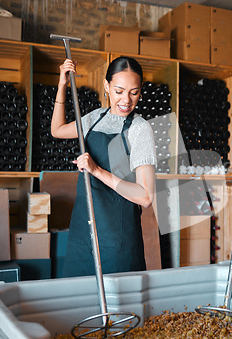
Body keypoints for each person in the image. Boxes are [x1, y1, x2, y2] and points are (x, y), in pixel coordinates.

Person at [51, 56, 157, 277]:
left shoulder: (140, 129)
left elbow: (145, 197)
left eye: (134, 92)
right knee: (79, 301)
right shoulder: (95, 118)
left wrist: (96, 170)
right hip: (83, 233)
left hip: (118, 239)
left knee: (118, 307)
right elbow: (57, 129)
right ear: (106, 86)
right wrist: (62, 85)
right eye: (119, 91)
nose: (126, 100)